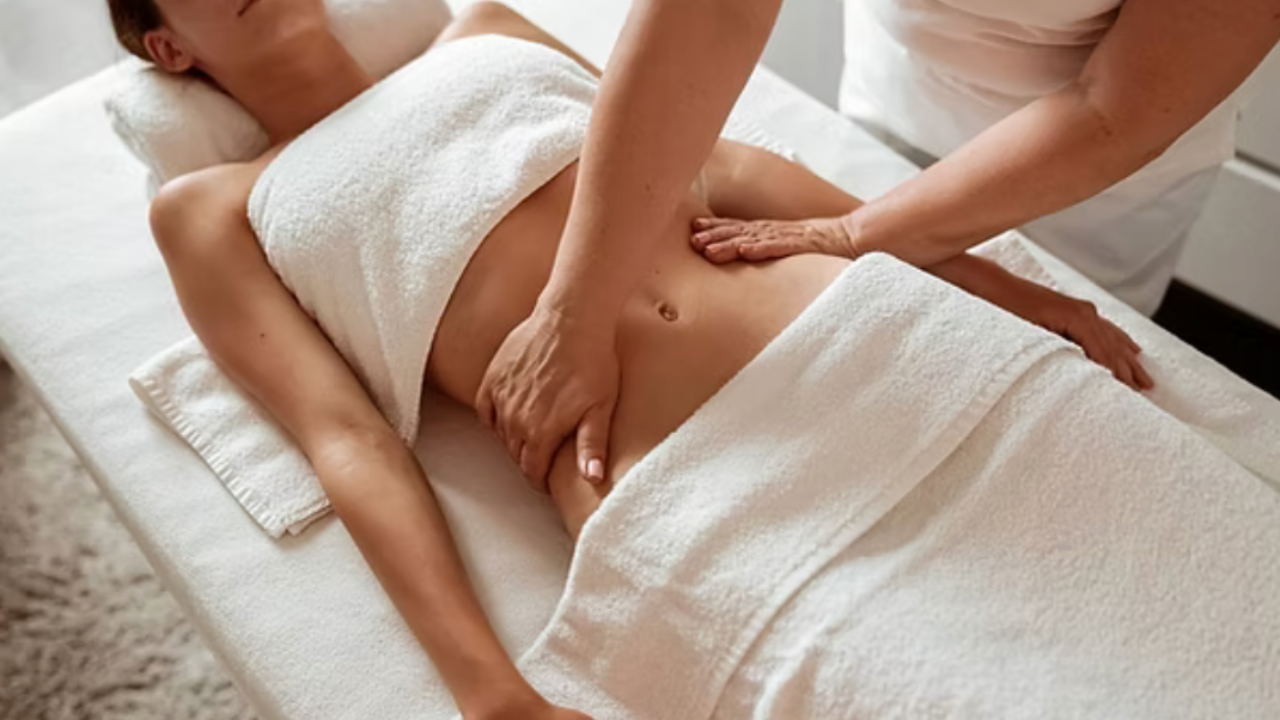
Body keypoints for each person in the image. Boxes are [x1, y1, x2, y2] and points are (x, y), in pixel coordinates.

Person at [108, 0, 1148, 716]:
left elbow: (721, 165)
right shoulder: (211, 207)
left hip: (850, 334)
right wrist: (490, 692)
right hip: (673, 483)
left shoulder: (484, 30)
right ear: (167, 46)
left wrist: (1003, 288)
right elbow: (346, 439)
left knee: (1135, 562)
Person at [476, 0, 1280, 492]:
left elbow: (1113, 112)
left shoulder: (490, 39)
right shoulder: (484, 36)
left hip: (1094, 180)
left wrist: (864, 236)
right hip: (896, 88)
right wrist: (570, 311)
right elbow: (714, 11)